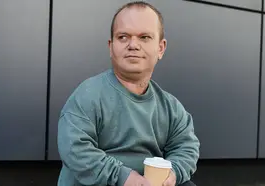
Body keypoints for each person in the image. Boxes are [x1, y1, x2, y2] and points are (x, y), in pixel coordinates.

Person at [56, 1, 200, 186]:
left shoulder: (171, 108)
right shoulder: (87, 96)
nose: (133, 45)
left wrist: (173, 174)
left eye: (145, 37)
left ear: (161, 48)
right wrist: (124, 178)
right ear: (111, 46)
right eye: (123, 37)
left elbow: (186, 147)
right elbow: (75, 149)